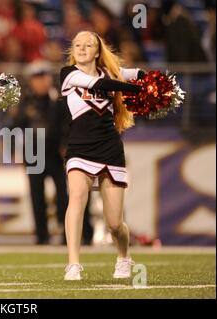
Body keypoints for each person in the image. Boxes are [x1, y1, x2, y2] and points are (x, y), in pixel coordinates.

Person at [60, 31, 144, 281]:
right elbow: (99, 85)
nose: (82, 48)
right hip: (79, 147)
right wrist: (132, 88)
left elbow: (137, 73)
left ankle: (123, 257)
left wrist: (153, 83)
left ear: (98, 51)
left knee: (114, 224)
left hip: (110, 148)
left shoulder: (111, 72)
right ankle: (73, 264)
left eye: (88, 45)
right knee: (76, 197)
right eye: (77, 44)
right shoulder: (68, 74)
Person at [12, 60, 69, 245]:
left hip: (55, 155)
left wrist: (66, 146)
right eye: (38, 78)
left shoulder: (59, 101)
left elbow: (67, 126)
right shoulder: (25, 103)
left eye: (45, 77)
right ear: (31, 82)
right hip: (33, 155)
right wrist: (14, 150)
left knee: (63, 196)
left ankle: (66, 232)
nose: (42, 82)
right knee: (37, 197)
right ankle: (42, 236)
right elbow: (13, 127)